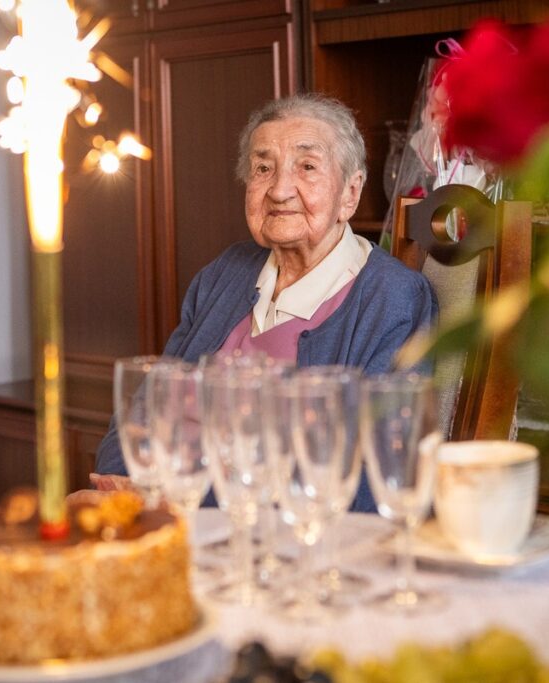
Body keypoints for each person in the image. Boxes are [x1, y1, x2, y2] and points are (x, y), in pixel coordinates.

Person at [89, 93, 438, 511]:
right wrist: (120, 488)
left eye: (307, 166)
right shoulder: (226, 272)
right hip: (159, 519)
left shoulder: (393, 299)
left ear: (350, 192)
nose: (279, 189)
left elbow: (366, 480)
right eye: (263, 168)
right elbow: (143, 407)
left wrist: (177, 499)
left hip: (276, 544)